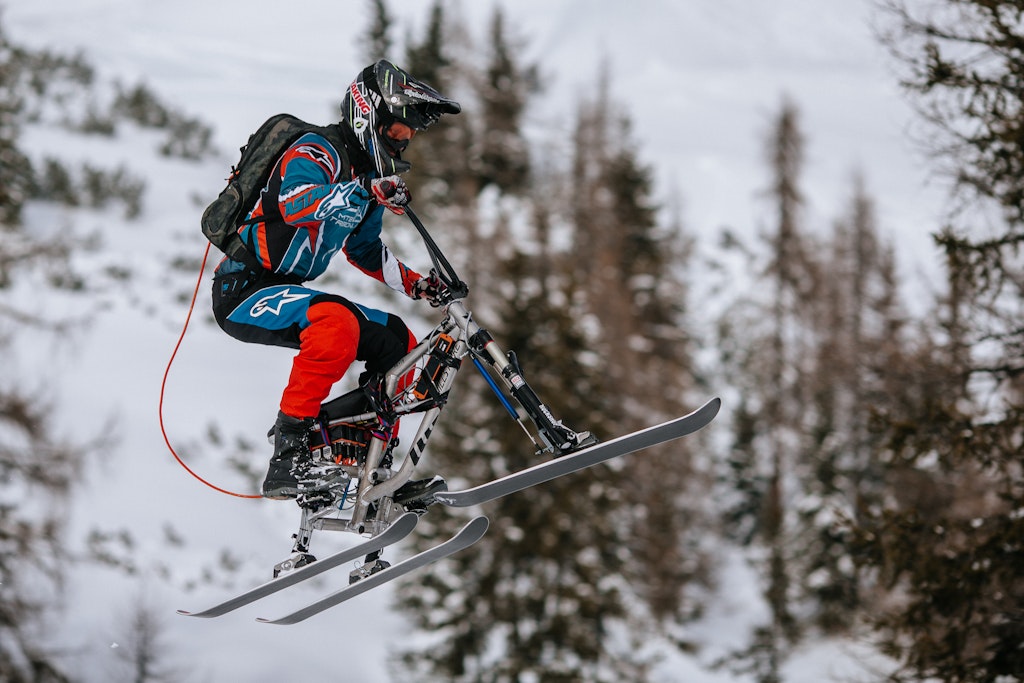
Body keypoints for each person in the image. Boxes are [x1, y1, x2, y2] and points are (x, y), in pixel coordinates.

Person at [211, 60, 461, 500]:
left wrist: (418, 285)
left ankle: (372, 469)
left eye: (411, 136)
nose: (405, 142)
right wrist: (364, 189)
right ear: (371, 116)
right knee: (336, 324)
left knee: (398, 341)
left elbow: (363, 250)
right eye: (400, 130)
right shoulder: (317, 150)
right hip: (243, 289)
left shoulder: (368, 179)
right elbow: (295, 203)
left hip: (287, 290)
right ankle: (287, 457)